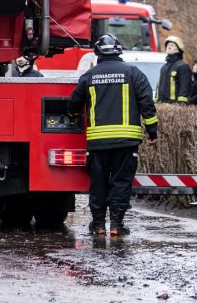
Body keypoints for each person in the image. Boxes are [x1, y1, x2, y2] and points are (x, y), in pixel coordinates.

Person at [68, 33, 158, 237]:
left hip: (98, 143)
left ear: (97, 54)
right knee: (121, 182)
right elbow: (147, 104)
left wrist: (73, 116)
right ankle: (117, 225)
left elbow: (73, 103)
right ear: (119, 52)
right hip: (126, 142)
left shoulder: (89, 76)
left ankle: (98, 225)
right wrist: (152, 132)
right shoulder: (133, 73)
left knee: (98, 183)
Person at [157, 36, 192, 104]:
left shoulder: (183, 67)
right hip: (162, 105)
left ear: (179, 48)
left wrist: (181, 104)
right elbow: (159, 86)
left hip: (174, 106)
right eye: (168, 45)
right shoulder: (164, 67)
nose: (169, 47)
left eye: (172, 45)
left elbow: (184, 88)